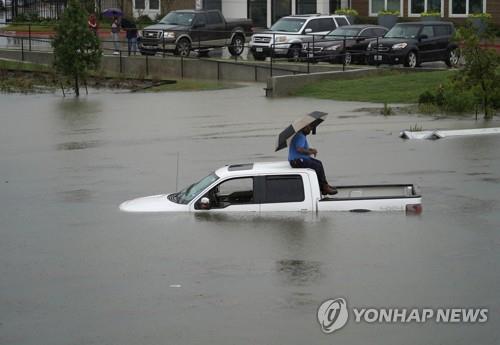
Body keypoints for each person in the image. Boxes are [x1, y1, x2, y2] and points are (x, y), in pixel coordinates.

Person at [288, 125, 337, 195]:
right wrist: (310, 152)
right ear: (304, 128)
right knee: (317, 166)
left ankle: (324, 185)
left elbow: (303, 148)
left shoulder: (301, 135)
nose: (310, 130)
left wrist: (311, 150)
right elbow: (299, 149)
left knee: (319, 163)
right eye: (309, 128)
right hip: (297, 161)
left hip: (299, 160)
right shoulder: (300, 136)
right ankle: (324, 187)